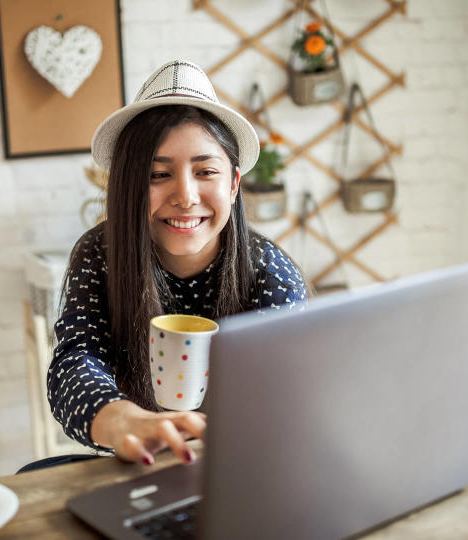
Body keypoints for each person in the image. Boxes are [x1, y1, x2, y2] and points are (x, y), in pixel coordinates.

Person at [43, 60, 307, 469]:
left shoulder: (269, 271)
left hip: (244, 465)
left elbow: (290, 391)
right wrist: (121, 418)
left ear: (233, 184)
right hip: (138, 463)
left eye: (206, 171)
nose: (185, 196)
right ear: (128, 185)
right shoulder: (100, 255)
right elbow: (77, 358)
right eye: (157, 174)